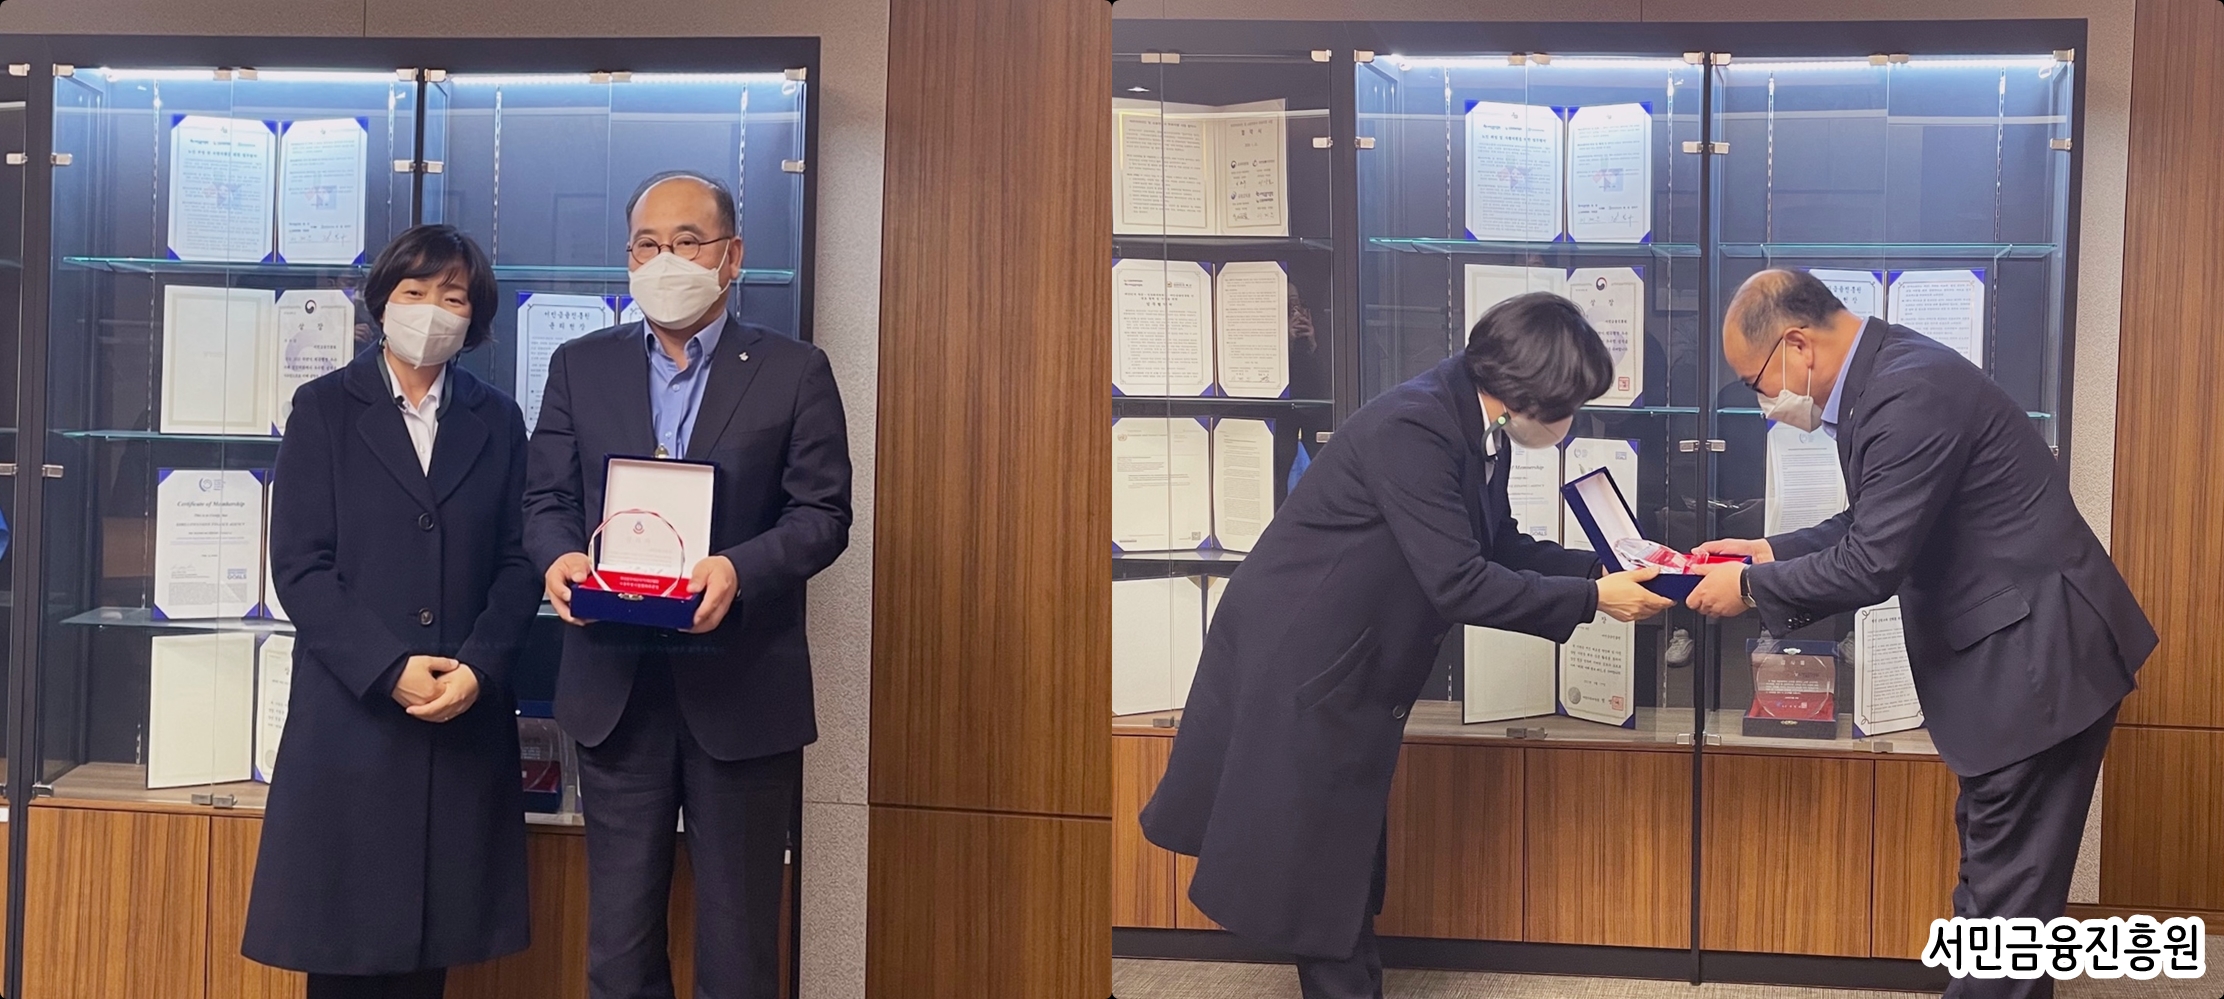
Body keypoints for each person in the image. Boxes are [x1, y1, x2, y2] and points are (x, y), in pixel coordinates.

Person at [1140, 293, 1675, 999]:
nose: (1572, 419)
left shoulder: (1471, 419)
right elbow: (1459, 582)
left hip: (1348, 649)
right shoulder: (1414, 426)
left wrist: (1606, 567)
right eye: (1569, 403)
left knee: (1335, 852)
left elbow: (1495, 543)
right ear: (1526, 391)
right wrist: (1595, 600)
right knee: (1318, 861)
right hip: (1307, 652)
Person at [1685, 269, 2156, 999]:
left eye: (1756, 383)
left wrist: (1747, 589)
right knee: (2002, 893)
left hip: (2035, 666)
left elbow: (1871, 561)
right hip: (2015, 659)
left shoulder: (1907, 391)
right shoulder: (1888, 375)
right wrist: (1767, 551)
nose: (1764, 403)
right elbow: (1871, 522)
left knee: (2004, 910)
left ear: (1797, 345)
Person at [523, 170, 852, 999]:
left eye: (688, 241)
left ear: (732, 256)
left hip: (742, 691)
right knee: (619, 948)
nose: (665, 259)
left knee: (739, 950)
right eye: (647, 244)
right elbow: (546, 501)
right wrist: (559, 557)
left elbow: (822, 514)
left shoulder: (794, 370)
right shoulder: (580, 366)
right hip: (616, 688)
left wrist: (738, 569)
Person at [244, 224, 540, 999]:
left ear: (475, 317)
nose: (432, 308)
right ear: (382, 302)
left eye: (454, 295)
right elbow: (300, 566)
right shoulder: (323, 409)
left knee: (428, 958)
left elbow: (520, 563)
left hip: (459, 717)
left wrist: (479, 667)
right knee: (343, 953)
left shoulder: (498, 419)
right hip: (353, 720)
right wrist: (387, 667)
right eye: (415, 290)